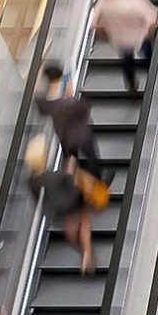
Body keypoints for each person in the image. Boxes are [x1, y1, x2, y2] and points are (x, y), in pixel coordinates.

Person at [24, 135, 94, 275]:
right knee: (84, 219)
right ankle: (87, 251)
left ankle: (77, 245)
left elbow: (39, 198)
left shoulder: (32, 181)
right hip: (72, 200)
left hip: (59, 207)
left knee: (69, 224)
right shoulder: (54, 176)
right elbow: (69, 181)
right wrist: (70, 166)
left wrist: (47, 208)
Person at [91, 0, 158, 95]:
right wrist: (149, 33)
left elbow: (94, 24)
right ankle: (153, 74)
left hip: (121, 39)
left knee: (127, 61)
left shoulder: (103, 4)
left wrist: (108, 35)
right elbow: (152, 19)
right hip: (140, 36)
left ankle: (131, 85)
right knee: (148, 56)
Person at [35, 63, 104, 176]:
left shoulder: (47, 103)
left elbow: (41, 108)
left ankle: (71, 182)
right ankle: (97, 178)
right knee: (91, 158)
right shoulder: (68, 103)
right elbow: (84, 110)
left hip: (65, 137)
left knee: (70, 159)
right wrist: (71, 96)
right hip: (81, 134)